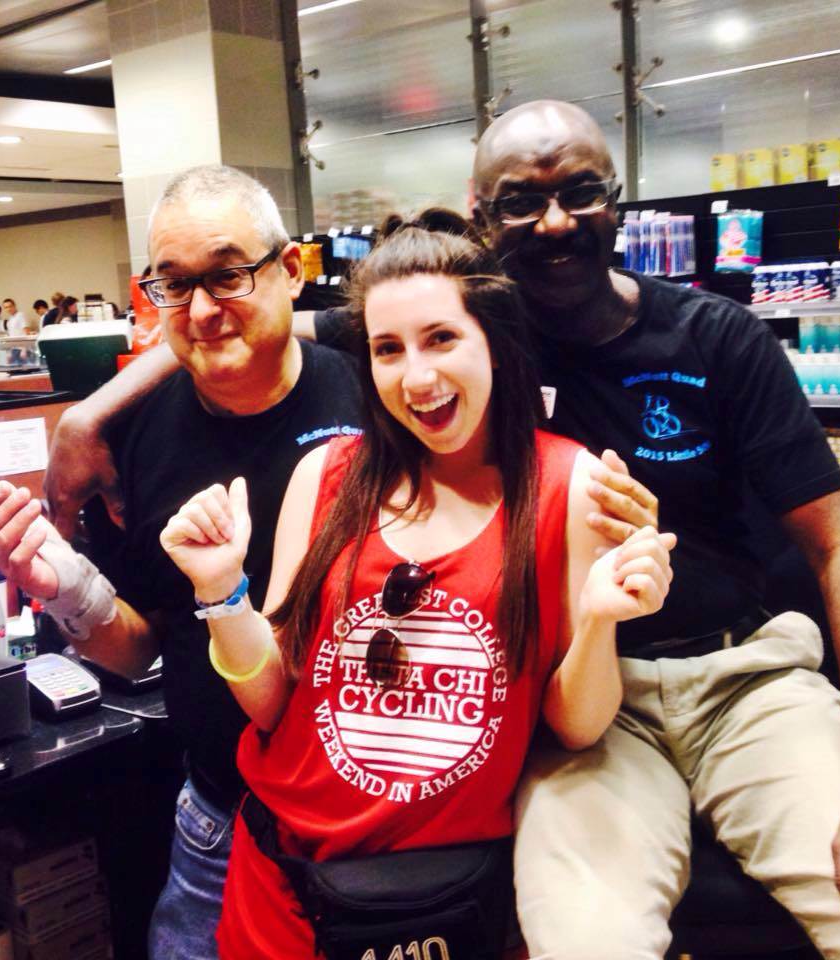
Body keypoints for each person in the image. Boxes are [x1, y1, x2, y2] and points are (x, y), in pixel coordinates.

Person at [460, 100, 840, 960]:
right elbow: (310, 332)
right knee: (584, 944)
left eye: (581, 192)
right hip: (585, 710)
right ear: (482, 215)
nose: (555, 222)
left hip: (750, 683)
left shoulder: (716, 337)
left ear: (618, 202)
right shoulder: (466, 350)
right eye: (522, 201)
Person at [158, 221, 675, 959]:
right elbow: (274, 701)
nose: (418, 378)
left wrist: (598, 621)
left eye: (441, 338)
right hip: (281, 880)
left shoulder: (569, 484)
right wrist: (220, 595)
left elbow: (577, 727)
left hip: (438, 900)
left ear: (493, 341)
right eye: (388, 349)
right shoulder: (327, 475)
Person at [0, 165, 363, 960]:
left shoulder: (375, 391)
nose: (202, 309)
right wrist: (65, 590)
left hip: (380, 820)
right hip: (222, 820)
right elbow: (138, 644)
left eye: (228, 274)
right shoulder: (131, 438)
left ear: (291, 271)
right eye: (175, 284)